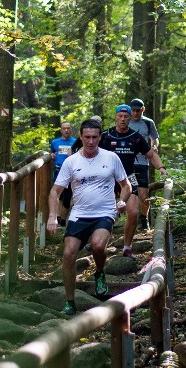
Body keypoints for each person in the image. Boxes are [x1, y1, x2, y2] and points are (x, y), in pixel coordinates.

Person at [47, 118, 131, 316]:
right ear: (81, 137)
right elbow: (55, 191)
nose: (91, 141)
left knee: (98, 246)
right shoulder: (71, 161)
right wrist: (52, 216)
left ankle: (100, 273)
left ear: (100, 137)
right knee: (68, 254)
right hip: (79, 214)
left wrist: (123, 201)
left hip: (105, 212)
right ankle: (70, 301)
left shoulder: (111, 158)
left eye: (95, 137)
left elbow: (126, 185)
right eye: (87, 137)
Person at [102, 104, 168, 258]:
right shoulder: (106, 135)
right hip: (108, 178)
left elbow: (151, 155)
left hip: (129, 178)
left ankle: (126, 247)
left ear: (130, 118)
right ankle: (97, 243)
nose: (123, 119)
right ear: (116, 117)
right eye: (120, 116)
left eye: (126, 117)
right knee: (104, 212)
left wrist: (161, 168)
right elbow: (88, 149)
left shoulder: (135, 137)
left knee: (132, 212)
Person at [128, 98, 160, 230]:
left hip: (143, 161)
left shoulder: (148, 122)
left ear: (143, 109)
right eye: (133, 111)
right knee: (129, 191)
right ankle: (130, 220)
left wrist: (153, 147)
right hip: (127, 162)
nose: (135, 113)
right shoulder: (125, 121)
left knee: (143, 193)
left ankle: (144, 219)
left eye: (138, 111)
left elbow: (154, 138)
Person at [49, 122, 77, 225]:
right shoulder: (55, 142)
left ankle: (63, 219)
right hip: (58, 170)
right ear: (61, 130)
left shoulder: (75, 142)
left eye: (68, 128)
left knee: (67, 196)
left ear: (70, 129)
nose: (66, 130)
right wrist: (51, 156)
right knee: (58, 194)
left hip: (71, 172)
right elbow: (52, 153)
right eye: (64, 128)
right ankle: (58, 217)